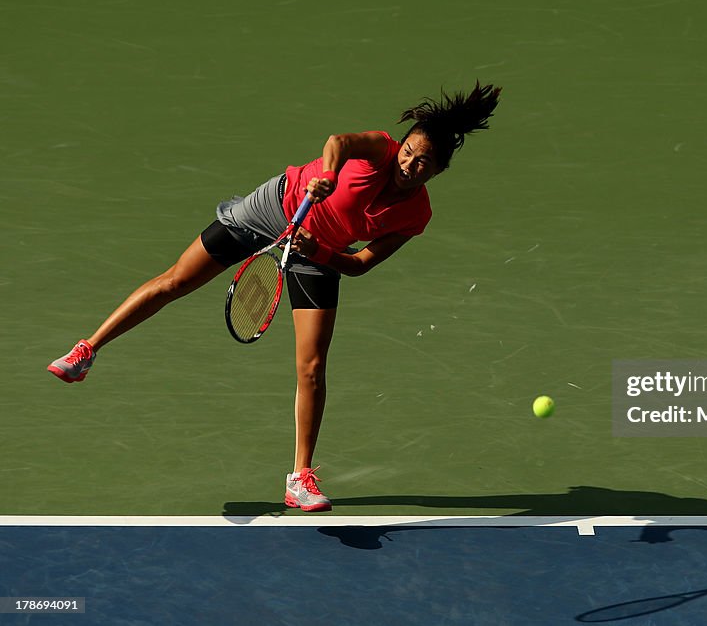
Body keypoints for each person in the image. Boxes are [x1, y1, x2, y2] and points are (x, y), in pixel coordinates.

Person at [47, 82, 502, 512]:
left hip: (317, 254)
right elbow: (338, 143)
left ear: (439, 170)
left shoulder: (415, 214)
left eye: (423, 163)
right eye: (408, 153)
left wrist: (319, 250)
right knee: (177, 281)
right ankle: (87, 350)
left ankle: (300, 478)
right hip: (272, 209)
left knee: (312, 367)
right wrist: (327, 175)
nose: (408, 165)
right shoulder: (379, 146)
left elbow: (362, 263)